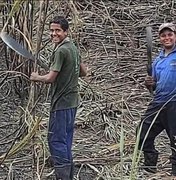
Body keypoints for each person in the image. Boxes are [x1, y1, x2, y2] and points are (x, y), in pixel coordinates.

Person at [30, 16, 87, 180]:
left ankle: (63, 176)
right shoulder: (73, 47)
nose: (54, 34)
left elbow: (50, 79)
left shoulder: (61, 50)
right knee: (65, 139)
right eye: (52, 30)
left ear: (65, 31)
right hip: (72, 102)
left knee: (56, 140)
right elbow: (83, 72)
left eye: (58, 31)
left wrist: (36, 77)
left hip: (62, 102)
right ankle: (68, 175)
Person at [137, 22, 176, 177]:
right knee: (142, 134)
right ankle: (150, 165)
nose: (167, 38)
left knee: (175, 139)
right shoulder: (157, 60)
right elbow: (152, 87)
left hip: (174, 103)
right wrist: (149, 84)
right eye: (163, 35)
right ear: (159, 38)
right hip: (158, 102)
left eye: (170, 34)